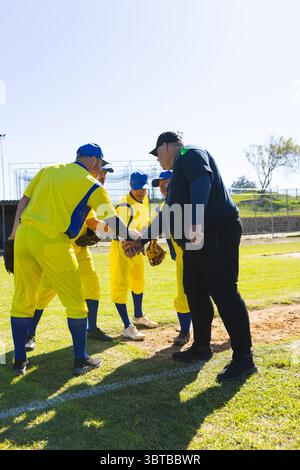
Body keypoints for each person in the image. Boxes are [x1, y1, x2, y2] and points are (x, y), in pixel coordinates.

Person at [126, 132, 257, 382]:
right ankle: (201, 346)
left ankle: (244, 358)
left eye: (157, 153)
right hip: (197, 238)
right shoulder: (177, 176)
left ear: (166, 146)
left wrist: (195, 222)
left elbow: (203, 183)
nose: (157, 159)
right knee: (194, 290)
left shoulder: (189, 154)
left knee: (224, 291)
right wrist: (140, 240)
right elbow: (168, 214)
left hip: (214, 230)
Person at [8, 142, 139, 376]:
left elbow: (24, 201)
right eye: (100, 164)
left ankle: (19, 361)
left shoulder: (49, 170)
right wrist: (131, 235)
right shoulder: (92, 184)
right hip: (54, 242)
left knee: (22, 300)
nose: (100, 169)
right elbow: (110, 219)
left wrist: (13, 234)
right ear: (94, 161)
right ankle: (80, 360)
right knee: (77, 305)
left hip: (25, 235)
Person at [24, 165, 116, 352]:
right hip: (62, 247)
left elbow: (91, 220)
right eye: (102, 171)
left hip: (80, 249)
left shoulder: (93, 189)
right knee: (45, 292)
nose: (104, 175)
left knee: (92, 285)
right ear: (91, 167)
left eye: (106, 173)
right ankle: (29, 333)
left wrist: (112, 230)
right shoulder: (81, 185)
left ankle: (93, 328)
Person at [110, 171, 158, 341]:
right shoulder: (124, 205)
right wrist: (128, 244)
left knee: (139, 281)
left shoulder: (144, 199)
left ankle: (138, 316)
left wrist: (148, 239)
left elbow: (145, 223)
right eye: (137, 188)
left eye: (143, 188)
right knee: (120, 285)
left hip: (136, 248)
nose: (141, 191)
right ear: (131, 186)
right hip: (123, 249)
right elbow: (114, 229)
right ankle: (127, 327)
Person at [151, 170, 192, 346]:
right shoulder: (164, 205)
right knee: (183, 294)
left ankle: (235, 329)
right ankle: (184, 331)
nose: (162, 187)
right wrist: (151, 240)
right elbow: (159, 225)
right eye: (160, 185)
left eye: (166, 182)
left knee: (218, 291)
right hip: (181, 258)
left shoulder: (188, 199)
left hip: (199, 254)